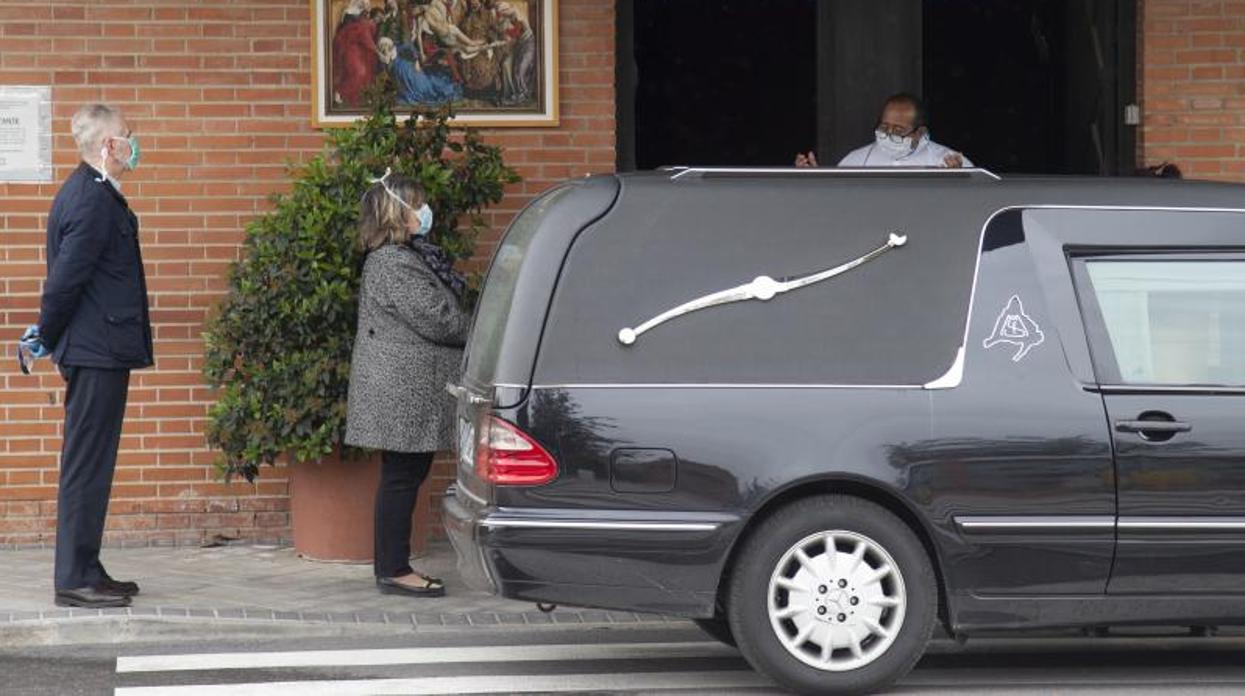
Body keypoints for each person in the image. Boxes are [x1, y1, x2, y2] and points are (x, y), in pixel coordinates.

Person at [34, 104, 152, 608]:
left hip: (99, 348)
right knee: (86, 465)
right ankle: (74, 578)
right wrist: (46, 336)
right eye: (127, 137)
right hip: (95, 351)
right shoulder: (92, 200)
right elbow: (62, 284)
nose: (133, 144)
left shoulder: (94, 194)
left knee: (93, 464)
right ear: (108, 146)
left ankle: (87, 566)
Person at [345, 170, 471, 598]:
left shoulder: (400, 257)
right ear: (398, 213)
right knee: (402, 477)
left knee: (402, 476)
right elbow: (440, 319)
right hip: (403, 390)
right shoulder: (394, 262)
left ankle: (392, 566)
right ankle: (394, 569)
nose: (424, 211)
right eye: (417, 204)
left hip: (406, 387)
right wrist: (481, 328)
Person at [794, 93, 972, 168]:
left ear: (920, 132)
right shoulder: (857, 160)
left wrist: (957, 181)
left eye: (898, 130)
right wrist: (814, 179)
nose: (888, 134)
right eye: (884, 127)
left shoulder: (949, 162)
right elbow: (835, 203)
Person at [378, 36, 463, 105]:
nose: (385, 49)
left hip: (410, 71)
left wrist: (416, 62)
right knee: (407, 90)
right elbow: (387, 64)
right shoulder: (385, 55)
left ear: (389, 45)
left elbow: (410, 47)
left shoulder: (398, 48)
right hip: (402, 75)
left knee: (422, 86)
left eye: (385, 47)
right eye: (383, 48)